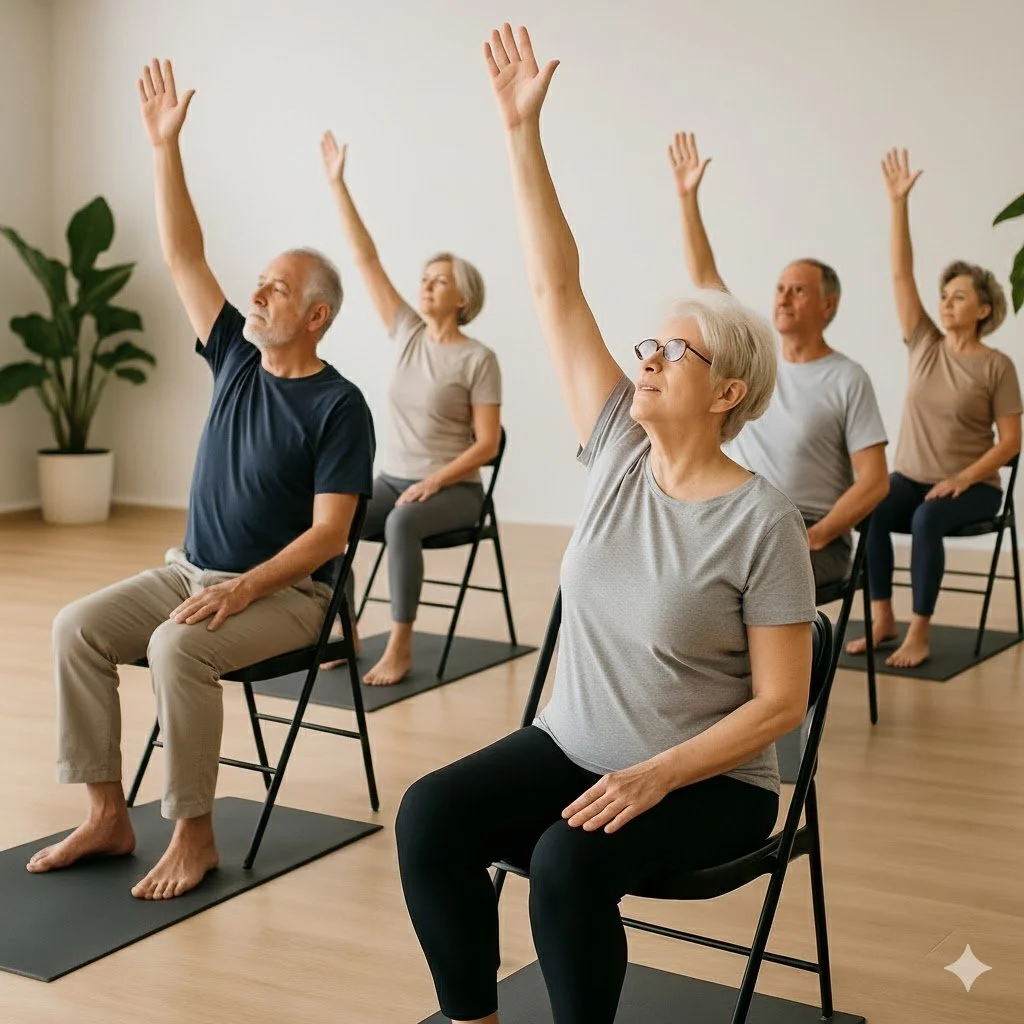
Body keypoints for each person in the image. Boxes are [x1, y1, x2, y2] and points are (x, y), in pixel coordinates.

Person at [395, 25, 818, 1024]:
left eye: (676, 350)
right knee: (430, 816)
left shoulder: (761, 521)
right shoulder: (617, 454)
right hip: (572, 743)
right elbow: (553, 285)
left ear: (730, 393)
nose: (649, 358)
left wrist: (654, 775)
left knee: (563, 864)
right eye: (652, 342)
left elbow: (779, 705)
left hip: (707, 781)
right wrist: (520, 133)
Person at [25, 59, 375, 900]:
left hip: (288, 596)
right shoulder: (235, 359)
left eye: (276, 289)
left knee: (178, 647)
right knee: (77, 626)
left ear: (316, 315)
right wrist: (163, 147)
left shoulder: (340, 405)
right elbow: (185, 252)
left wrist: (245, 589)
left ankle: (193, 834)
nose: (255, 293)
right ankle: (109, 813)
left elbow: (331, 537)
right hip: (190, 571)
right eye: (258, 282)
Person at [669, 132, 889, 591]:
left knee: (729, 585)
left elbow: (874, 482)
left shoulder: (848, 378)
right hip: (740, 514)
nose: (784, 297)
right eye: (780, 288)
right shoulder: (756, 357)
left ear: (828, 306)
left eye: (800, 290)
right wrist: (687, 199)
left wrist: (820, 533)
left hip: (810, 532)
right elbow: (708, 282)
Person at [320, 132, 502, 685]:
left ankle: (399, 646)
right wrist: (338, 183)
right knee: (331, 525)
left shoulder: (479, 359)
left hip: (454, 494)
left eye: (439, 280)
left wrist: (436, 481)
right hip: (393, 480)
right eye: (424, 278)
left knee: (401, 523)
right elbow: (365, 258)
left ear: (463, 297)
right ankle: (345, 631)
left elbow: (487, 444)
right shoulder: (406, 333)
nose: (425, 285)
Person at [846, 149, 1022, 668]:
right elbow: (902, 275)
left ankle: (919, 631)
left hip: (973, 490)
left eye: (959, 296)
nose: (946, 303)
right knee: (873, 509)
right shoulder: (925, 343)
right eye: (945, 295)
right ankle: (883, 618)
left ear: (984, 310)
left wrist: (965, 478)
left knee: (926, 520)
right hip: (914, 476)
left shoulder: (998, 366)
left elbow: (1012, 441)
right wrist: (898, 203)